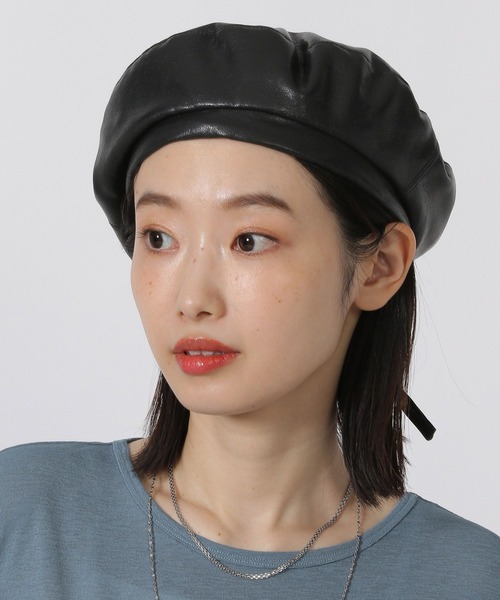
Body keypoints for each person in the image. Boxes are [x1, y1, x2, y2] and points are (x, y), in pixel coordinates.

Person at [0, 23, 498, 600]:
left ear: (380, 266)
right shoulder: (26, 515)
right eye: (159, 238)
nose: (192, 299)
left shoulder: (471, 578)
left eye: (249, 240)